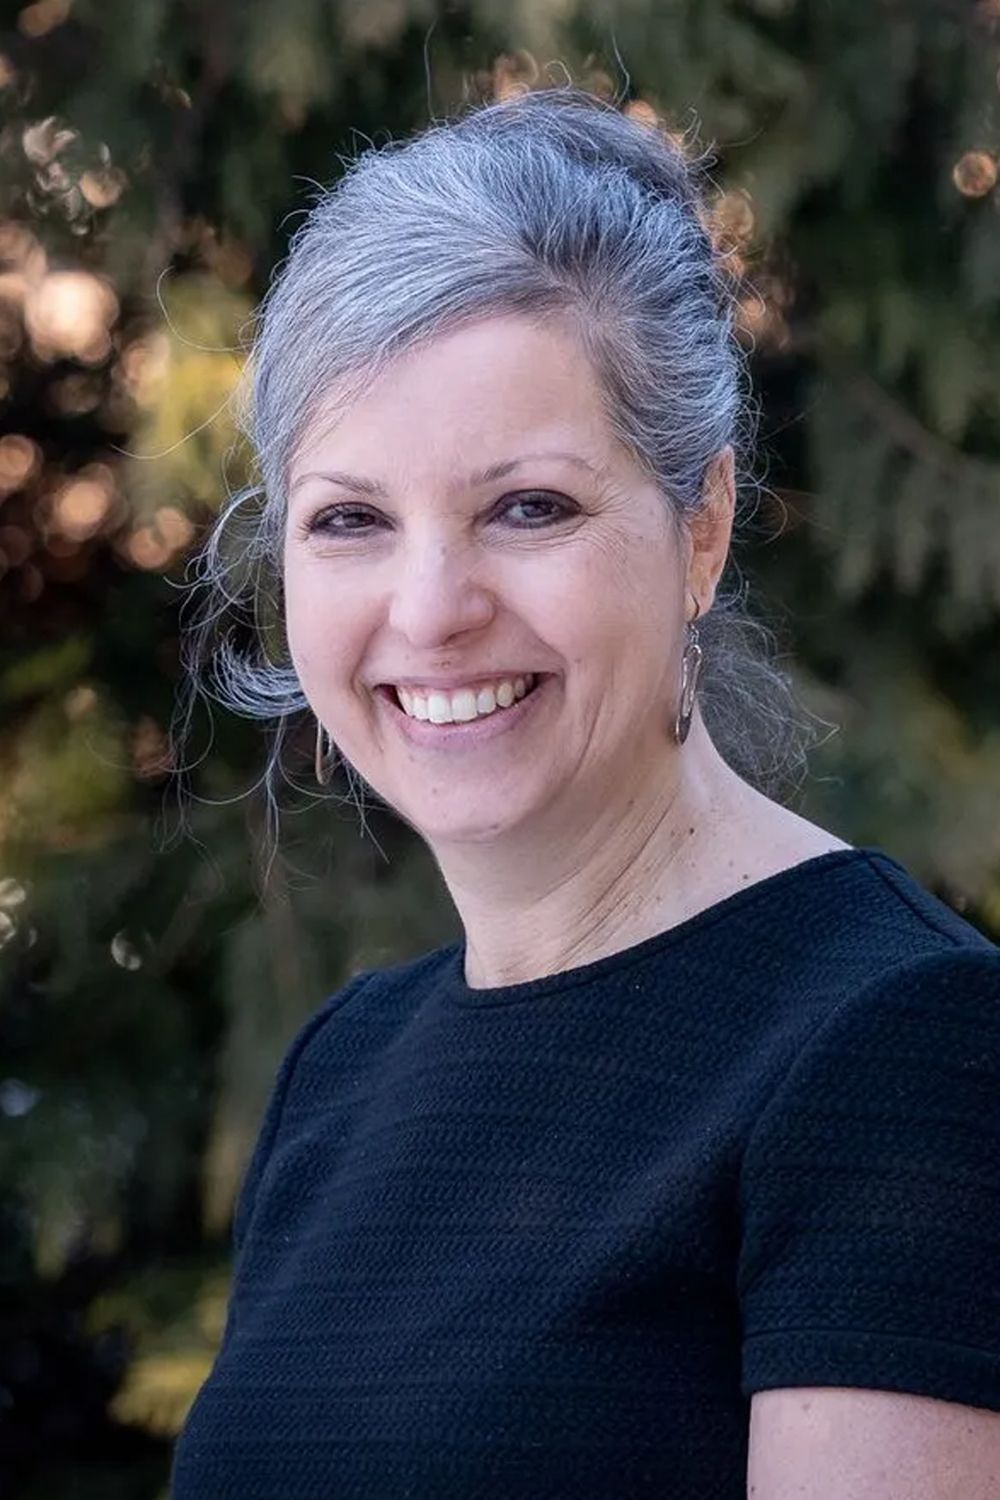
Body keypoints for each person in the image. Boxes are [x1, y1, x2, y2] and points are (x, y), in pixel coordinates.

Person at [169, 87, 1000, 1499]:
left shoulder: (903, 1048)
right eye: (351, 520)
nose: (430, 611)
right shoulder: (344, 1071)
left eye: (528, 507)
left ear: (703, 529)